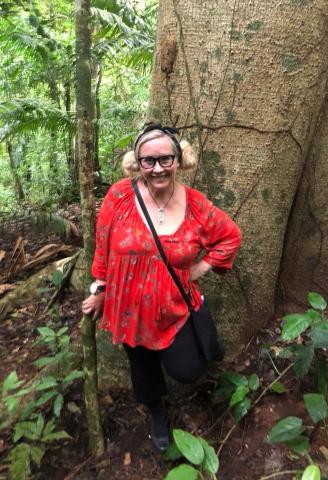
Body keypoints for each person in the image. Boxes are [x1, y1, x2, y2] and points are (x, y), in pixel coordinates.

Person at [82, 124, 242, 452]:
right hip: (127, 307)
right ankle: (157, 411)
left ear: (179, 160)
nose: (157, 168)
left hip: (174, 305)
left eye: (165, 159)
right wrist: (99, 290)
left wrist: (200, 268)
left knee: (188, 370)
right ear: (136, 164)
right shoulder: (119, 196)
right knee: (142, 369)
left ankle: (205, 346)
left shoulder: (196, 204)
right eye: (148, 161)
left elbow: (230, 236)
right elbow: (103, 248)